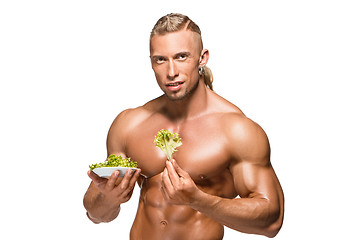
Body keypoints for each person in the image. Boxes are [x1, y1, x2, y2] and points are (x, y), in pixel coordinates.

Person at [83, 13, 284, 239]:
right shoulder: (130, 123)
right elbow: (96, 214)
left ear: (202, 57)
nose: (171, 72)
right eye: (160, 59)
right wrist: (108, 199)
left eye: (181, 57)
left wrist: (198, 200)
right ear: (151, 61)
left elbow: (271, 221)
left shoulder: (236, 129)